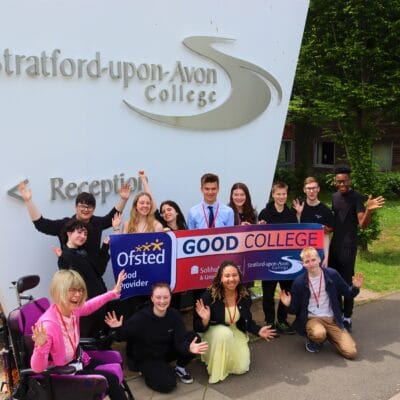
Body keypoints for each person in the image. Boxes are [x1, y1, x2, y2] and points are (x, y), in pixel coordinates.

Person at [31, 269, 127, 400]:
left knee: (111, 362)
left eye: (80, 290)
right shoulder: (48, 326)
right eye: (72, 290)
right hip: (63, 373)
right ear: (59, 291)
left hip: (78, 360)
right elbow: (37, 368)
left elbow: (88, 306)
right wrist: (40, 347)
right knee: (109, 378)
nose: (78, 294)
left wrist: (113, 293)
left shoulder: (71, 309)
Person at [104, 283, 208, 393]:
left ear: (170, 297)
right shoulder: (141, 317)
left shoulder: (174, 315)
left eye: (165, 297)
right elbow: (122, 336)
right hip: (146, 356)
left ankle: (179, 367)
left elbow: (180, 340)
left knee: (194, 338)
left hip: (164, 351)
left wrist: (188, 348)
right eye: (158, 297)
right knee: (168, 384)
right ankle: (149, 372)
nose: (162, 301)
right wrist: (117, 329)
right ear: (152, 298)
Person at [194, 260, 276, 384]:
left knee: (242, 368)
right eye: (227, 276)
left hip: (235, 330)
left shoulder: (244, 296)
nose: (231, 279)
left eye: (234, 275)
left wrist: (258, 330)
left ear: (239, 277)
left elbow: (246, 320)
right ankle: (214, 364)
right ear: (220, 278)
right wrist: (205, 321)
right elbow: (197, 326)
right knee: (223, 334)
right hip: (213, 331)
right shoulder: (208, 296)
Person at [279, 247, 364, 359]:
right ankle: (315, 340)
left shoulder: (332, 274)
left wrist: (355, 288)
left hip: (332, 319)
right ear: (303, 264)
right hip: (312, 319)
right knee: (319, 334)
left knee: (351, 352)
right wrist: (288, 304)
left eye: (313, 260)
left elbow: (348, 293)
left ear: (319, 259)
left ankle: (329, 334)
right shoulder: (299, 282)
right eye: (307, 262)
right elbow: (294, 310)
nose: (311, 264)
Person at [18, 181, 131, 263]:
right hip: (71, 278)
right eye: (82, 206)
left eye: (90, 207)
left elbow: (113, 217)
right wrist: (28, 201)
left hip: (94, 277)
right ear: (76, 207)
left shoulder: (97, 223)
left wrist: (124, 199)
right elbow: (41, 225)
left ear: (94, 209)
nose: (86, 209)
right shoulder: (65, 225)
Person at [329, 166, 384, 332]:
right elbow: (337, 221)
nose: (342, 184)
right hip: (334, 246)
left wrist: (369, 210)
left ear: (350, 181)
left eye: (345, 181)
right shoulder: (334, 197)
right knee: (333, 281)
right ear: (335, 182)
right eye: (339, 181)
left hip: (348, 247)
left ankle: (347, 317)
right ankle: (337, 314)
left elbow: (362, 224)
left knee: (346, 283)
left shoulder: (357, 197)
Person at [54, 215, 121, 337]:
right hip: (87, 305)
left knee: (102, 334)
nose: (83, 236)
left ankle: (104, 353)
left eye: (85, 234)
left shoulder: (83, 252)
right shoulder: (66, 256)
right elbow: (69, 282)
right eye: (79, 232)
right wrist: (61, 259)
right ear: (69, 233)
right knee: (91, 337)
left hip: (99, 300)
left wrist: (105, 246)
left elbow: (99, 270)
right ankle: (89, 356)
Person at [258, 181, 298, 334]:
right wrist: (260, 228)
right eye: (278, 194)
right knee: (268, 293)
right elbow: (259, 238)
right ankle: (269, 321)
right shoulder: (264, 213)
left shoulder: (291, 214)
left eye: (284, 194)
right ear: (273, 194)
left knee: (286, 291)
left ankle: (282, 320)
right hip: (269, 260)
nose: (281, 197)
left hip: (287, 261)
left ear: (286, 195)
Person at [293, 177, 334, 267]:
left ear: (318, 189)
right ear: (304, 190)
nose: (311, 191)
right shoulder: (298, 207)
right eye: (309, 188)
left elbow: (326, 235)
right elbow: (295, 231)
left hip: (317, 254)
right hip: (300, 253)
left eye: (314, 188)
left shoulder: (325, 210)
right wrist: (298, 214)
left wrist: (326, 257)